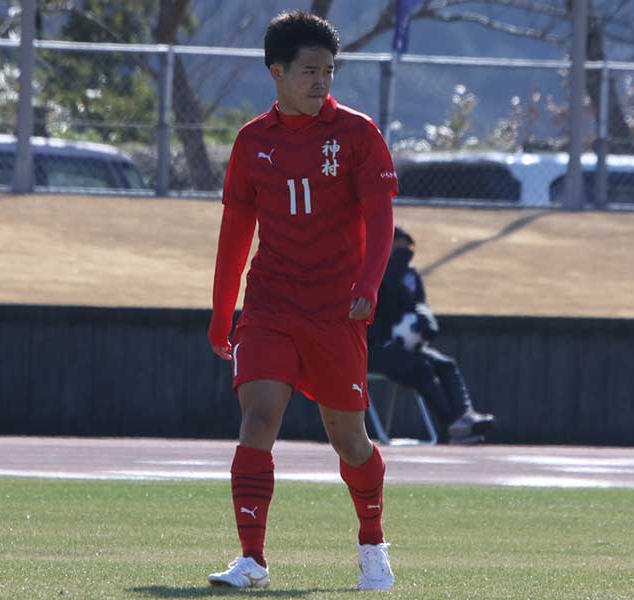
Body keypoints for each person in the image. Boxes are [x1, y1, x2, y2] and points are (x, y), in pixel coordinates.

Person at [206, 11, 398, 591]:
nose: (321, 81)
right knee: (258, 418)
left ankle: (372, 544)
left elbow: (381, 220)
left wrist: (367, 286)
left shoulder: (358, 134)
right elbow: (236, 231)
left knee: (349, 439)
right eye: (309, 71)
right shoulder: (252, 141)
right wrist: (222, 312)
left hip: (336, 311)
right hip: (270, 306)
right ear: (278, 72)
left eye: (329, 71)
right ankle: (252, 560)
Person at [368, 226, 495, 444]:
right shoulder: (374, 271)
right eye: (398, 247)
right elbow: (387, 295)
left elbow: (418, 303)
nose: (405, 252)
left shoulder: (411, 275)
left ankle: (465, 415)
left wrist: (425, 320)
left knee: (445, 364)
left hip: (406, 346)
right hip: (376, 347)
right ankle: (452, 424)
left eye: (406, 248)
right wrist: (395, 264)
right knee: (421, 368)